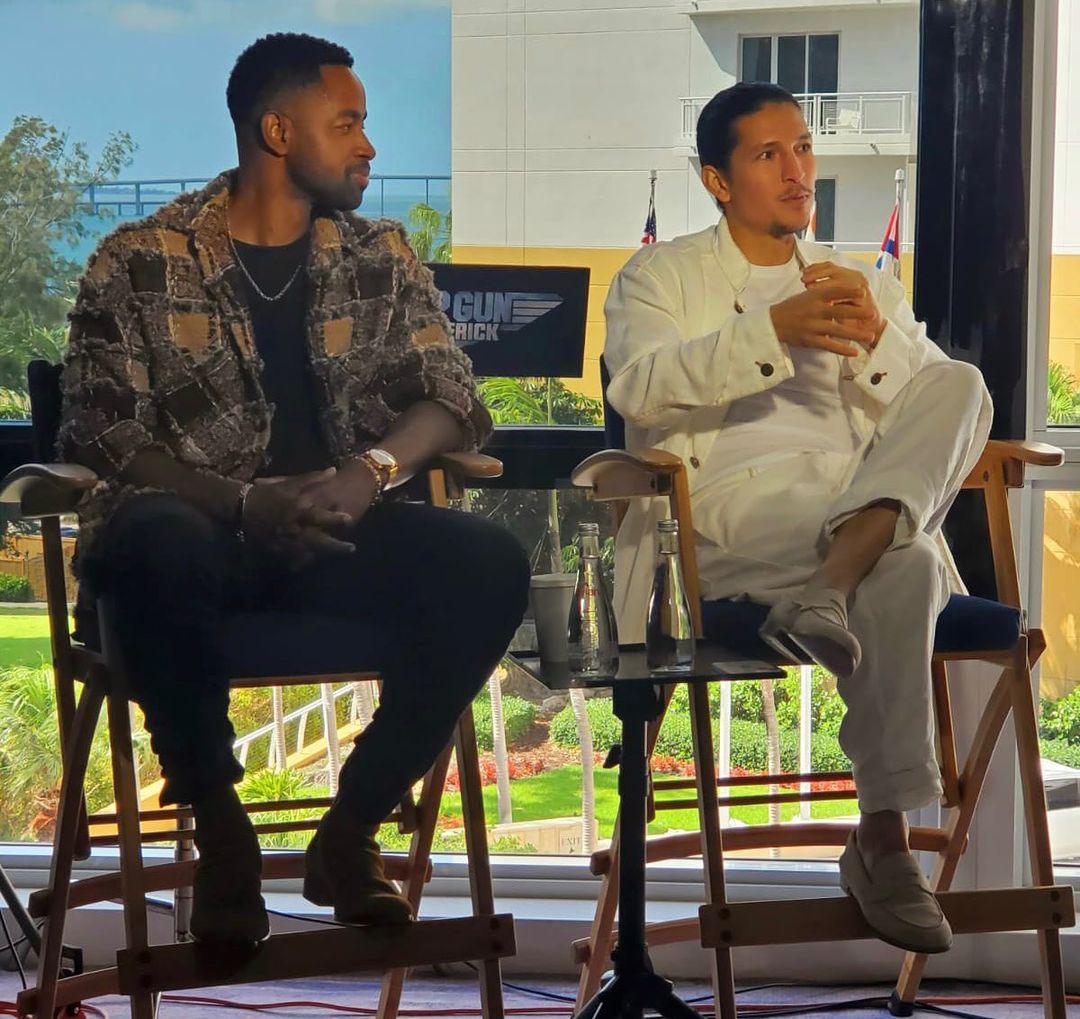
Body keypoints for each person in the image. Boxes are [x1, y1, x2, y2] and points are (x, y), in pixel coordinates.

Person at [59, 32, 529, 945]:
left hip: (339, 535)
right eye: (346, 124)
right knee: (152, 538)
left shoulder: (380, 255)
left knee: (489, 563)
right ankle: (224, 843)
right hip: (195, 551)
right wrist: (243, 503)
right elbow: (105, 435)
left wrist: (367, 474)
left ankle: (351, 830)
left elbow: (450, 396)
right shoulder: (140, 258)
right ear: (278, 132)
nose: (369, 145)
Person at [603, 82, 992, 954]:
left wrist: (879, 337)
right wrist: (773, 329)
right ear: (717, 180)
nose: (797, 171)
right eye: (769, 154)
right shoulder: (660, 277)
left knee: (961, 383)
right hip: (730, 516)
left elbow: (940, 416)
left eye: (804, 148)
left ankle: (833, 592)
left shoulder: (860, 281)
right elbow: (638, 390)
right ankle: (885, 842)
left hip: (851, 507)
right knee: (910, 561)